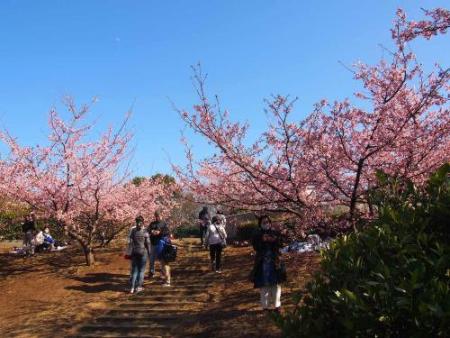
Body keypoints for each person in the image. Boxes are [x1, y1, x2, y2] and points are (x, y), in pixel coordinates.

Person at [251, 215, 285, 313]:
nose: (266, 224)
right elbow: (256, 247)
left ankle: (277, 306)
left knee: (276, 284)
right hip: (262, 262)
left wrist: (275, 240)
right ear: (260, 224)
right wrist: (262, 240)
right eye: (264, 222)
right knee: (264, 285)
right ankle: (265, 307)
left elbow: (281, 244)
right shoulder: (257, 234)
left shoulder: (275, 232)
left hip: (275, 261)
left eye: (268, 222)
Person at [128, 216, 150, 294]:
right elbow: (148, 243)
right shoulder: (145, 231)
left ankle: (132, 288)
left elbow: (130, 242)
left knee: (134, 271)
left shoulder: (133, 231)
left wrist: (129, 252)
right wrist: (150, 253)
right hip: (143, 252)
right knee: (141, 271)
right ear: (143, 222)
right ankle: (139, 287)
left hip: (134, 252)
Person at [148, 211, 171, 283]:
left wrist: (159, 232)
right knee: (152, 259)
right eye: (156, 216)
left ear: (161, 216)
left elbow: (168, 232)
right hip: (153, 243)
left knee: (162, 260)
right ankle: (152, 272)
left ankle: (162, 274)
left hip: (161, 244)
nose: (157, 217)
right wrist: (152, 231)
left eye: (159, 216)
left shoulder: (163, 223)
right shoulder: (152, 224)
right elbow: (148, 230)